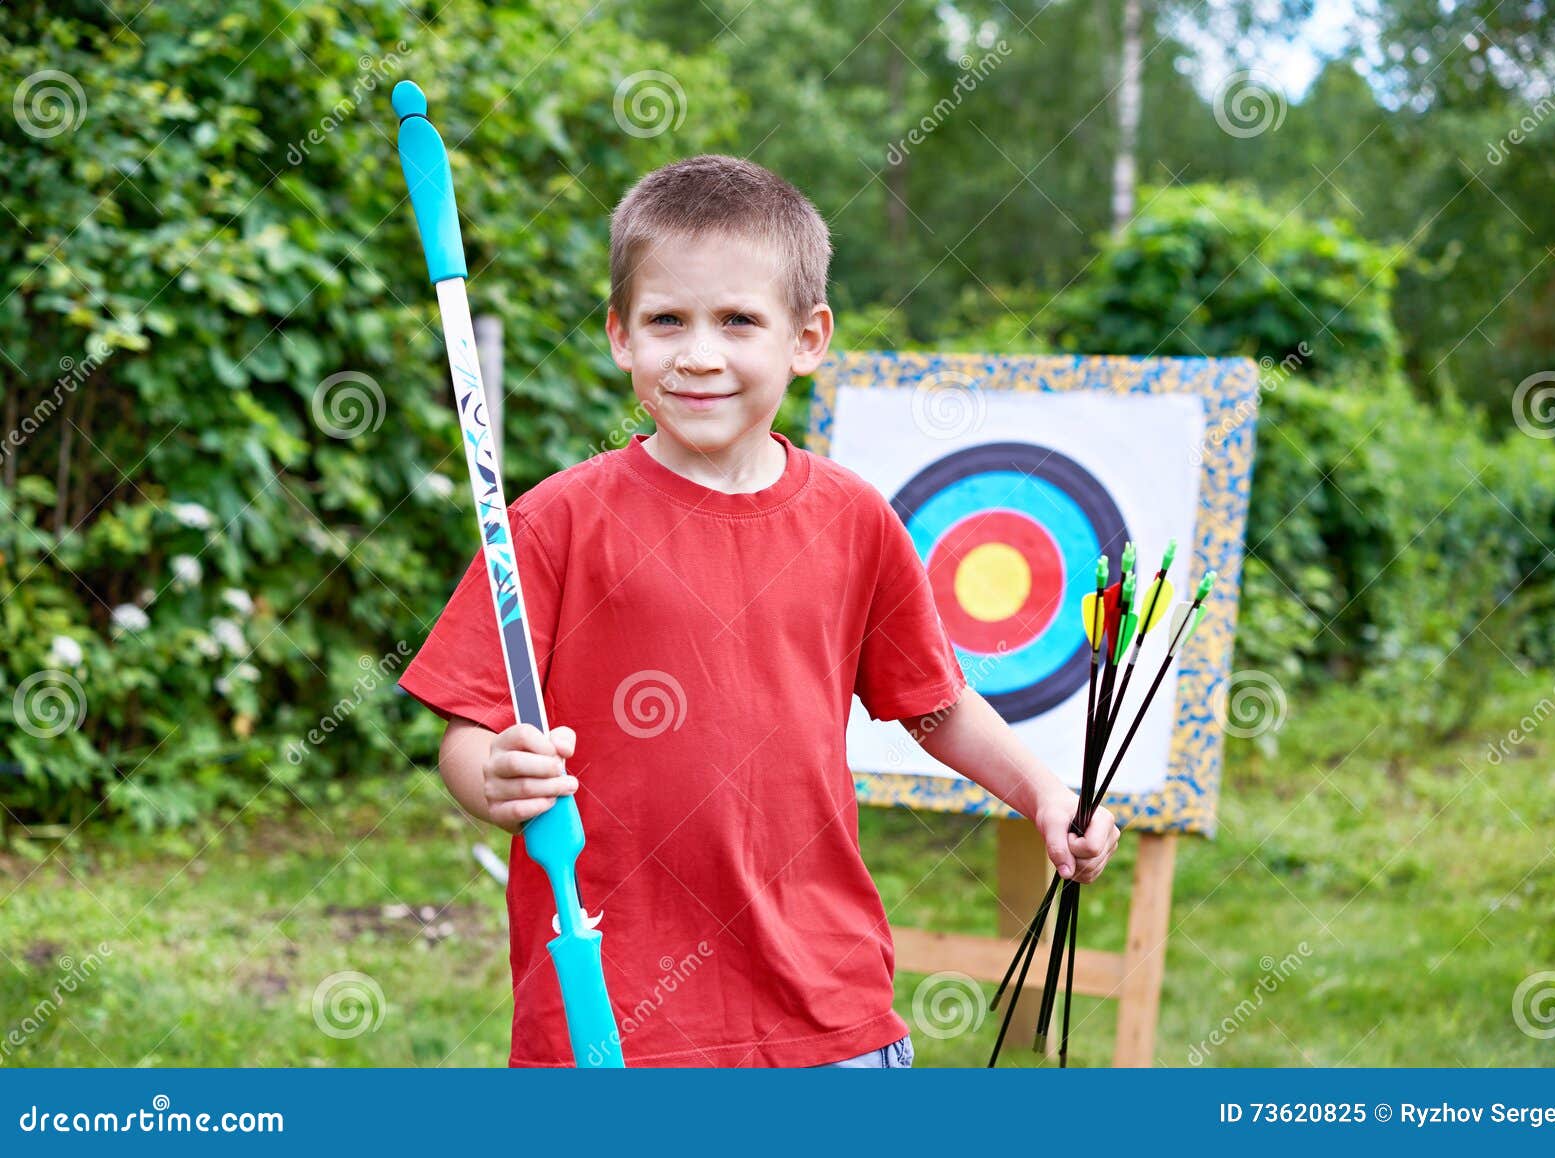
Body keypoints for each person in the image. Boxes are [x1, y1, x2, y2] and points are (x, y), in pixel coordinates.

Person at [397, 154, 1122, 1068]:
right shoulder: (554, 523)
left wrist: (1044, 793)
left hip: (826, 1011)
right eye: (667, 320)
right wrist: (493, 777)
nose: (699, 354)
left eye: (738, 320)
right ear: (621, 335)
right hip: (611, 1015)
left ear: (807, 338)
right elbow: (470, 727)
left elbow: (935, 705)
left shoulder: (855, 519)